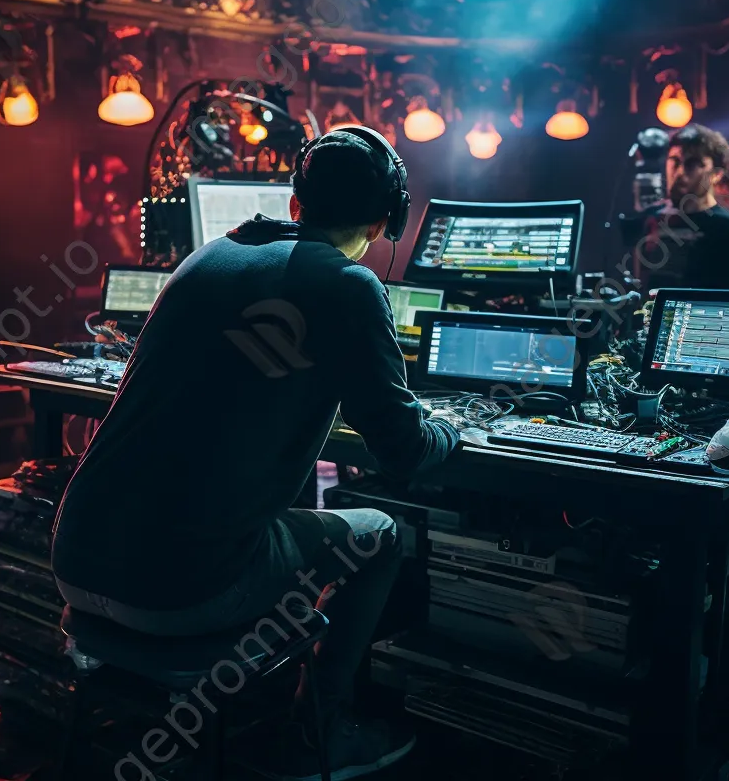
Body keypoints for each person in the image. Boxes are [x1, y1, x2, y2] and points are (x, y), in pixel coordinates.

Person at [51, 126, 459, 780]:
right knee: (379, 534)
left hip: (75, 561)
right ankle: (317, 732)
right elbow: (405, 449)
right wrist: (449, 427)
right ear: (390, 220)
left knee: (267, 517)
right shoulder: (351, 287)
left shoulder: (206, 258)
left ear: (296, 203)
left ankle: (259, 710)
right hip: (180, 591)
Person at [641, 123, 729, 291]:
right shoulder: (654, 220)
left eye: (692, 164)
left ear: (716, 174)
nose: (680, 172)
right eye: (674, 161)